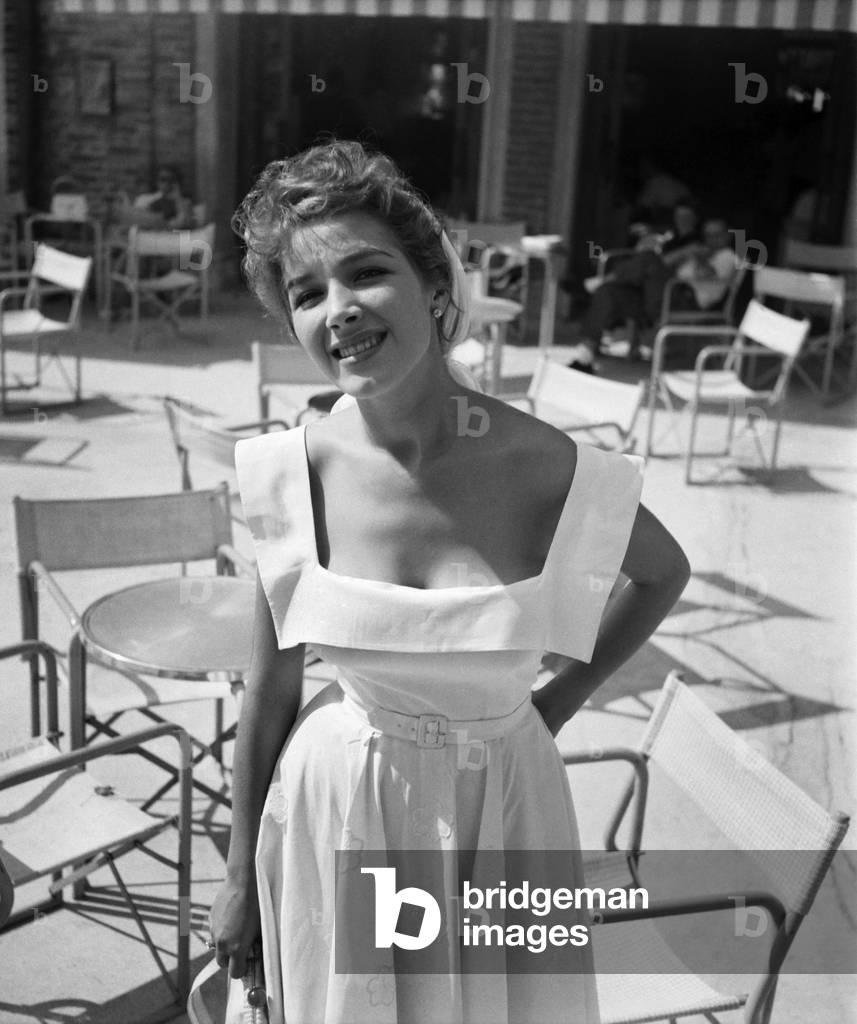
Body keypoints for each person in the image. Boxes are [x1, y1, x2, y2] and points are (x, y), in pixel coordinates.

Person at [201, 140, 690, 1024]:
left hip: (503, 814)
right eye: (307, 294)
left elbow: (660, 573)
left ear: (434, 287)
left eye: (364, 273)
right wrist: (238, 873)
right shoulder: (287, 473)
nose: (338, 310)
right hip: (335, 809)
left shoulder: (545, 464)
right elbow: (269, 692)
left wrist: (547, 710)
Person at [570, 214, 738, 373]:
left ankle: (601, 281)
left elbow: (707, 275)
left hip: (686, 302)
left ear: (728, 236)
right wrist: (686, 252)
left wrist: (698, 257)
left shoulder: (728, 256)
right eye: (708, 235)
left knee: (649, 257)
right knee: (609, 292)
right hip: (659, 299)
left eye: (717, 235)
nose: (712, 240)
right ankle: (585, 352)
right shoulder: (699, 251)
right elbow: (663, 262)